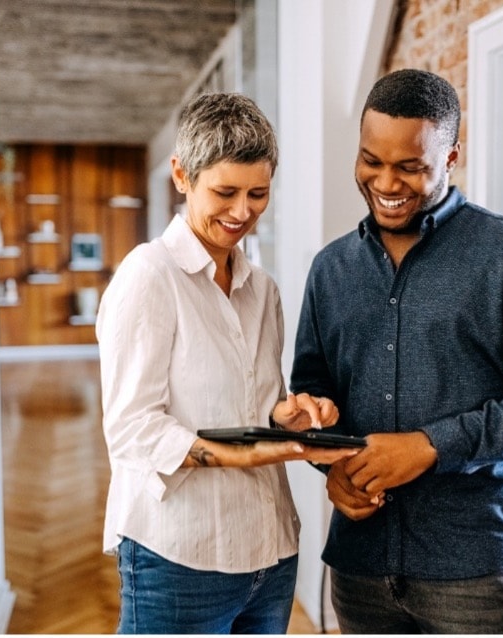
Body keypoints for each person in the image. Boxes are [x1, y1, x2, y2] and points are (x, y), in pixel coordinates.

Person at [290, 69, 503, 634]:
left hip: (476, 572)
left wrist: (431, 446)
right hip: (359, 566)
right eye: (371, 161)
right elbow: (314, 391)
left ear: (452, 156)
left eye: (410, 166)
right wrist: (327, 463)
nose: (386, 181)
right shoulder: (330, 269)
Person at [96, 92, 357, 635]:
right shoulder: (149, 277)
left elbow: (252, 402)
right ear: (181, 176)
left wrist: (285, 416)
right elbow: (132, 429)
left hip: (271, 553)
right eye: (225, 192)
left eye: (258, 194)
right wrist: (245, 455)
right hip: (179, 558)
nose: (242, 212)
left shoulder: (262, 290)